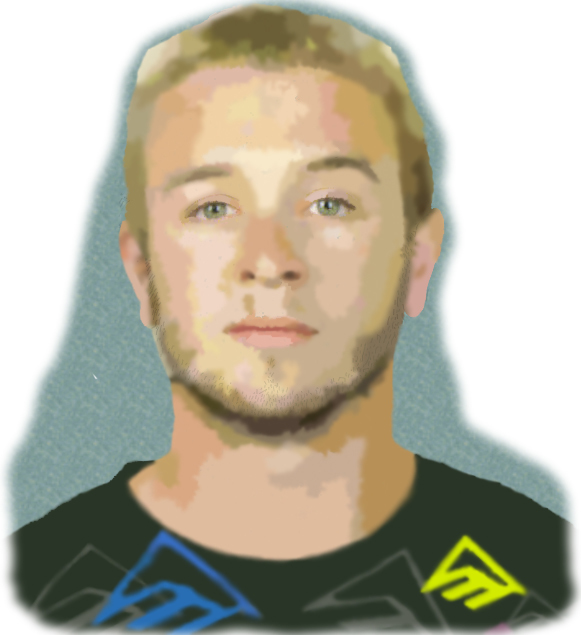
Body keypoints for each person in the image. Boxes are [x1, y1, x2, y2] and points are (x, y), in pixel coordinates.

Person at [11, 4, 573, 632]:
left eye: (330, 204)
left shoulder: (549, 579)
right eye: (212, 208)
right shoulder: (29, 589)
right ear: (142, 273)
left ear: (417, 263)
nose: (270, 261)